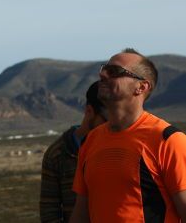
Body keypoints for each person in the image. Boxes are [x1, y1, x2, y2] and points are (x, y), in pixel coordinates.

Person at [70, 48, 186, 222]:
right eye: (104, 68)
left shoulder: (168, 140)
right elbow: (81, 212)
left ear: (141, 87)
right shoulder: (90, 141)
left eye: (114, 71)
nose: (102, 74)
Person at [39, 81, 106, 222]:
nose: (112, 124)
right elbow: (49, 212)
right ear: (89, 111)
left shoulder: (124, 147)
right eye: (106, 119)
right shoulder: (57, 153)